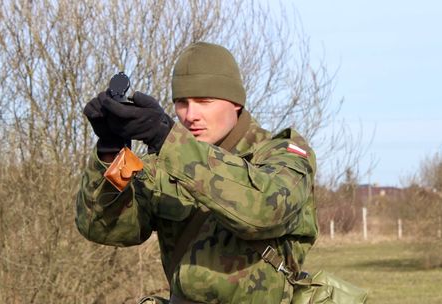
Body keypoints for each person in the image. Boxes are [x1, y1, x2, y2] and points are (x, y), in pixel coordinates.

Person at [76, 42, 318, 303]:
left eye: (204, 101)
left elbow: (266, 210)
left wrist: (167, 138)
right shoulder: (165, 163)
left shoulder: (282, 153)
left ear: (236, 102)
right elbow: (103, 228)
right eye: (182, 103)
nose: (191, 115)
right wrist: (111, 151)